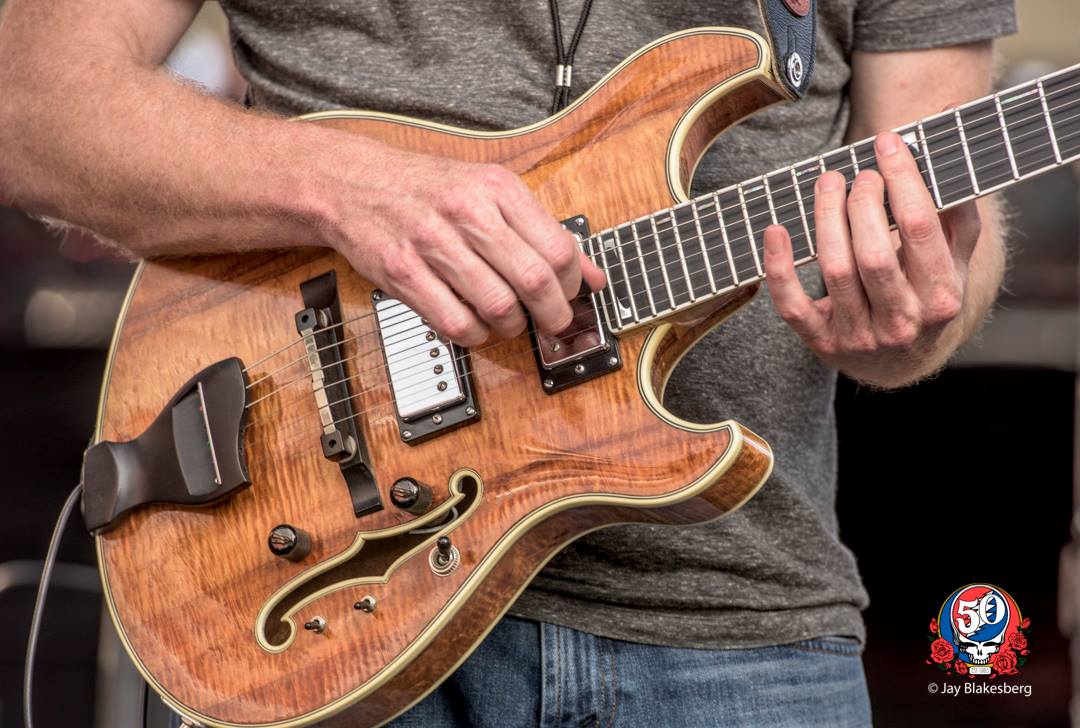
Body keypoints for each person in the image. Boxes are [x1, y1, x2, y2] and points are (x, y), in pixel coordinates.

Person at [0, 0, 1016, 725]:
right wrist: (345, 189)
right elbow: (30, 106)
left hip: (739, 618)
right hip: (324, 598)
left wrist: (920, 307)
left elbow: (938, 216)